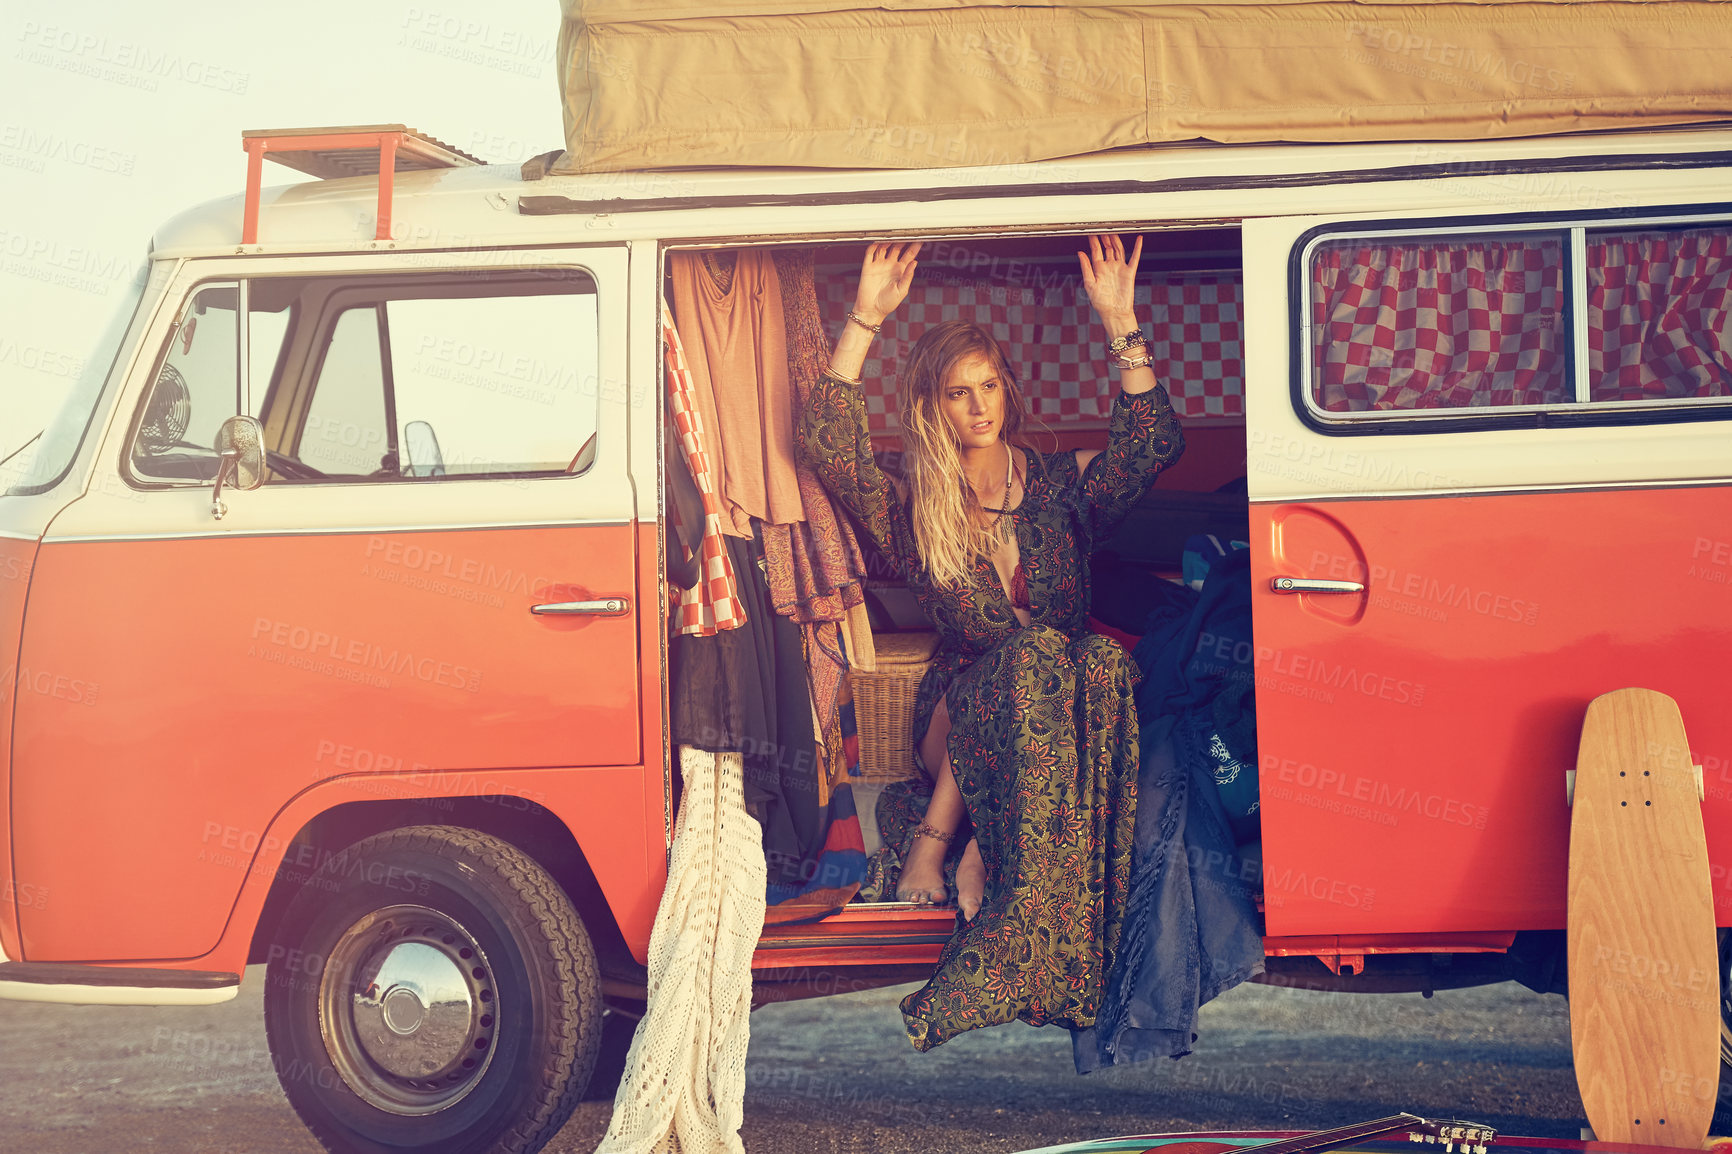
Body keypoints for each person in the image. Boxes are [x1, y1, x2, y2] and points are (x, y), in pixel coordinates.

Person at [796, 234, 1186, 1050]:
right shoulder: (915, 508)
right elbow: (828, 445)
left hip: (1059, 730)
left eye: (988, 386)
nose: (979, 407)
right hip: (960, 715)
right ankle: (964, 850)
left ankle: (966, 852)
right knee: (1033, 657)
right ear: (933, 407)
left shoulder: (1059, 490)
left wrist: (1121, 320)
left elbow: (1153, 443)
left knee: (1088, 661)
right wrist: (866, 317)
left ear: (1007, 387)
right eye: (956, 394)